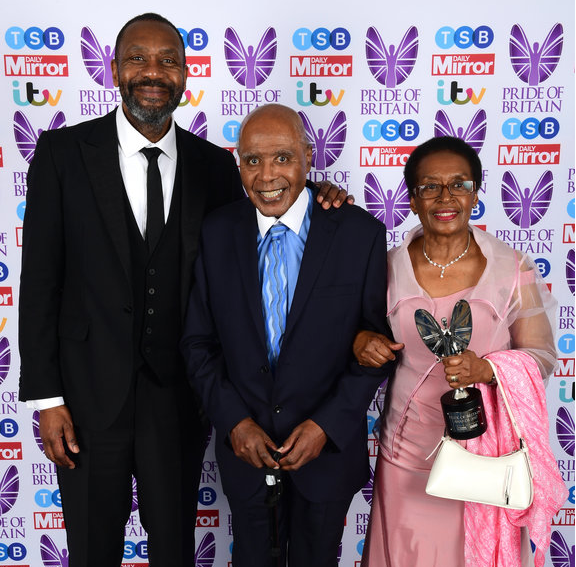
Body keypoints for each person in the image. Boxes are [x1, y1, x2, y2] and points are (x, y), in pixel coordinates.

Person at [18, 14, 348, 567]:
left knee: (173, 547)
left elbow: (267, 198)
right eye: (138, 59)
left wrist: (319, 194)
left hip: (179, 400)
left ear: (186, 72)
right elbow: (40, 281)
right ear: (115, 69)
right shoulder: (62, 154)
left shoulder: (215, 167)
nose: (153, 71)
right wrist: (48, 399)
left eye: (168, 59)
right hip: (85, 398)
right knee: (90, 550)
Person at [180, 103, 394, 567]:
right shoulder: (216, 233)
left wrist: (325, 426)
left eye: (282, 157)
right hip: (246, 454)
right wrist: (235, 422)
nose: (266, 175)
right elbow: (199, 344)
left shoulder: (360, 234)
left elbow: (378, 347)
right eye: (252, 160)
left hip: (327, 455)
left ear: (308, 156)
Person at [355, 136, 566, 567]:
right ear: (412, 200)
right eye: (430, 186)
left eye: (459, 184)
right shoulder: (385, 267)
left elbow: (542, 356)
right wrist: (361, 342)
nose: (445, 197)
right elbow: (354, 333)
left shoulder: (511, 267)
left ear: (476, 193)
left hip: (486, 460)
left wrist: (487, 370)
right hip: (406, 456)